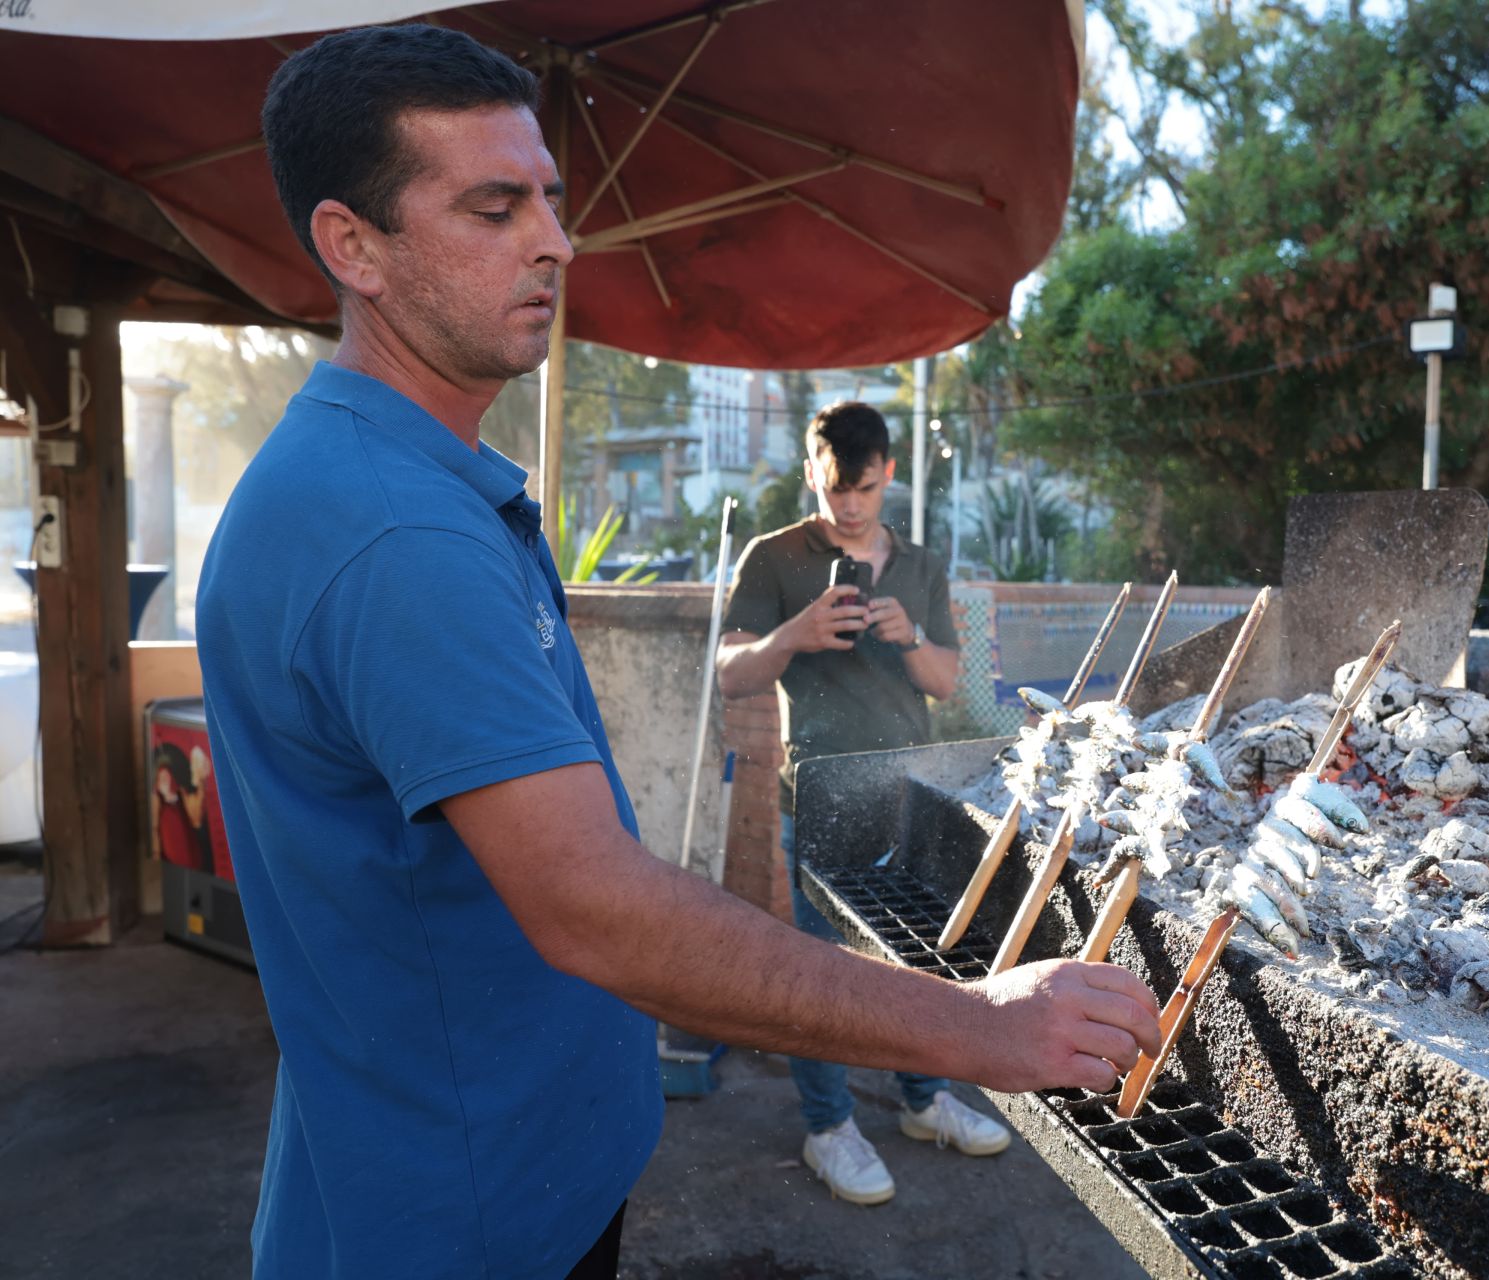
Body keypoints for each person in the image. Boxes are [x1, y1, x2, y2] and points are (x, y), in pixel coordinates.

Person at [196, 24, 1160, 1280]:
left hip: (479, 1159)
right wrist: (976, 1022)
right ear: (351, 246)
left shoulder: (407, 479)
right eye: (493, 208)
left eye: (549, 196)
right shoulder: (393, 532)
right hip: (463, 1217)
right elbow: (599, 910)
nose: (554, 239)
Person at [716, 404, 999, 1206]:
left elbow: (947, 682)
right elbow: (731, 672)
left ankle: (923, 1099)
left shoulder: (919, 565)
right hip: (818, 787)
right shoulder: (775, 557)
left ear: (888, 477)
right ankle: (828, 1126)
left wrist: (909, 637)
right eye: (837, 489)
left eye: (865, 490)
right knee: (819, 971)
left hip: (912, 792)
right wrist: (794, 636)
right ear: (813, 472)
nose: (849, 507)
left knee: (922, 961)